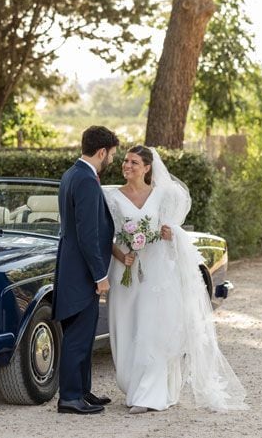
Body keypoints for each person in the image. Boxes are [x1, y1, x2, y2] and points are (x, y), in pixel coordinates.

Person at [103, 145, 247, 414]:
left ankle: (147, 395)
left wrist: (171, 234)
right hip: (125, 272)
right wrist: (122, 256)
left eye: (134, 162)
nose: (127, 166)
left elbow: (173, 231)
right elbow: (106, 236)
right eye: (125, 161)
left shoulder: (164, 195)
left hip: (156, 272)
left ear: (147, 168)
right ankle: (135, 385)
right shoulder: (111, 197)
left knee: (151, 329)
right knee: (125, 328)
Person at [53, 126, 119, 415]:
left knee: (83, 332)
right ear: (102, 151)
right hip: (81, 272)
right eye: (113, 155)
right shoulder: (86, 181)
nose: (113, 160)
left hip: (72, 268)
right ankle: (69, 397)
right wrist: (100, 275)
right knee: (78, 337)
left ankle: (82, 391)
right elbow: (88, 234)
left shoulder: (72, 174)